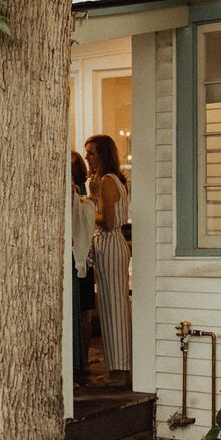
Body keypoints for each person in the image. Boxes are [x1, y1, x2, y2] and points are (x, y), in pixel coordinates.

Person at [85, 134, 132, 389]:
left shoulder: (107, 181)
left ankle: (120, 371)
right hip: (107, 245)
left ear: (102, 154)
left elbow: (109, 220)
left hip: (110, 243)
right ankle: (115, 368)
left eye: (91, 153)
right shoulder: (107, 181)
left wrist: (87, 203)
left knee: (115, 308)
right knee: (108, 306)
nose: (87, 158)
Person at [70, 151, 96, 383]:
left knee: (83, 307)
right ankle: (82, 360)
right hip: (82, 253)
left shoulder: (78, 192)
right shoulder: (80, 192)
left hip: (80, 254)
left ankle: (81, 360)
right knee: (84, 308)